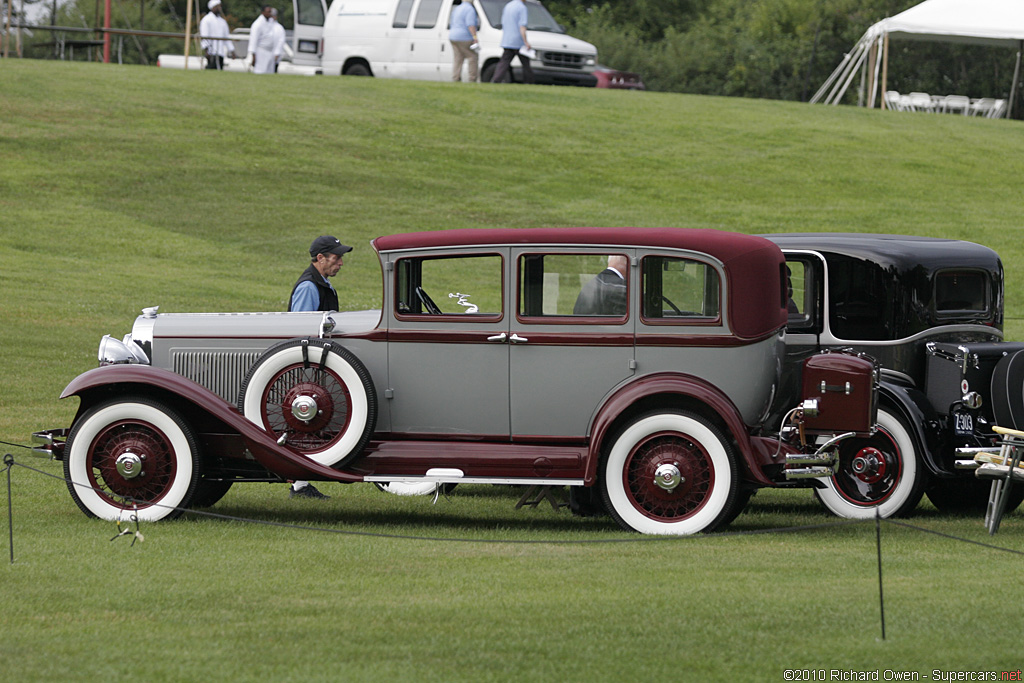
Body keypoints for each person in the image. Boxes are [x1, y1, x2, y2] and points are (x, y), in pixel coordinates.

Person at [285, 235, 353, 499]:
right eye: (336, 258)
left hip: (317, 364)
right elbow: (300, 330)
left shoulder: (322, 284)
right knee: (304, 423)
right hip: (308, 367)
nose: (341, 263)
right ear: (320, 258)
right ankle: (299, 485)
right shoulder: (309, 287)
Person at [490, 0, 533, 84]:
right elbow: (522, 26)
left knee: (504, 62)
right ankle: (529, 82)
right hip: (518, 41)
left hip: (507, 39)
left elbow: (504, 22)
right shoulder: (522, 7)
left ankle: (496, 80)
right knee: (526, 63)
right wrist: (526, 41)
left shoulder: (508, 6)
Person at [449, 0, 479, 83]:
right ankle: (472, 79)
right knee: (472, 57)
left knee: (458, 58)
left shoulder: (457, 8)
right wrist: (475, 37)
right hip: (464, 37)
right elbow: (471, 25)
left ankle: (456, 78)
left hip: (453, 36)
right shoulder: (470, 9)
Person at [199, 0, 235, 70]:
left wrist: (232, 50)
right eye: (217, 6)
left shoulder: (222, 21)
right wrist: (206, 50)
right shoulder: (206, 20)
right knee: (211, 69)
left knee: (219, 69)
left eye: (220, 6)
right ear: (212, 7)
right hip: (211, 51)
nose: (219, 8)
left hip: (220, 51)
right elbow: (204, 35)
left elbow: (226, 37)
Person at [247, 6, 277, 74]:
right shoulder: (257, 24)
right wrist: (253, 55)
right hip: (261, 51)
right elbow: (253, 40)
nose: (270, 14)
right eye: (268, 12)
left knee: (269, 72)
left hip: (270, 51)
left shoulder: (270, 22)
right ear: (263, 12)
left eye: (270, 12)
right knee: (260, 71)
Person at [270, 7, 286, 72]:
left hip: (274, 58)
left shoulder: (279, 28)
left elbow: (281, 42)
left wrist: (276, 54)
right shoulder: (264, 26)